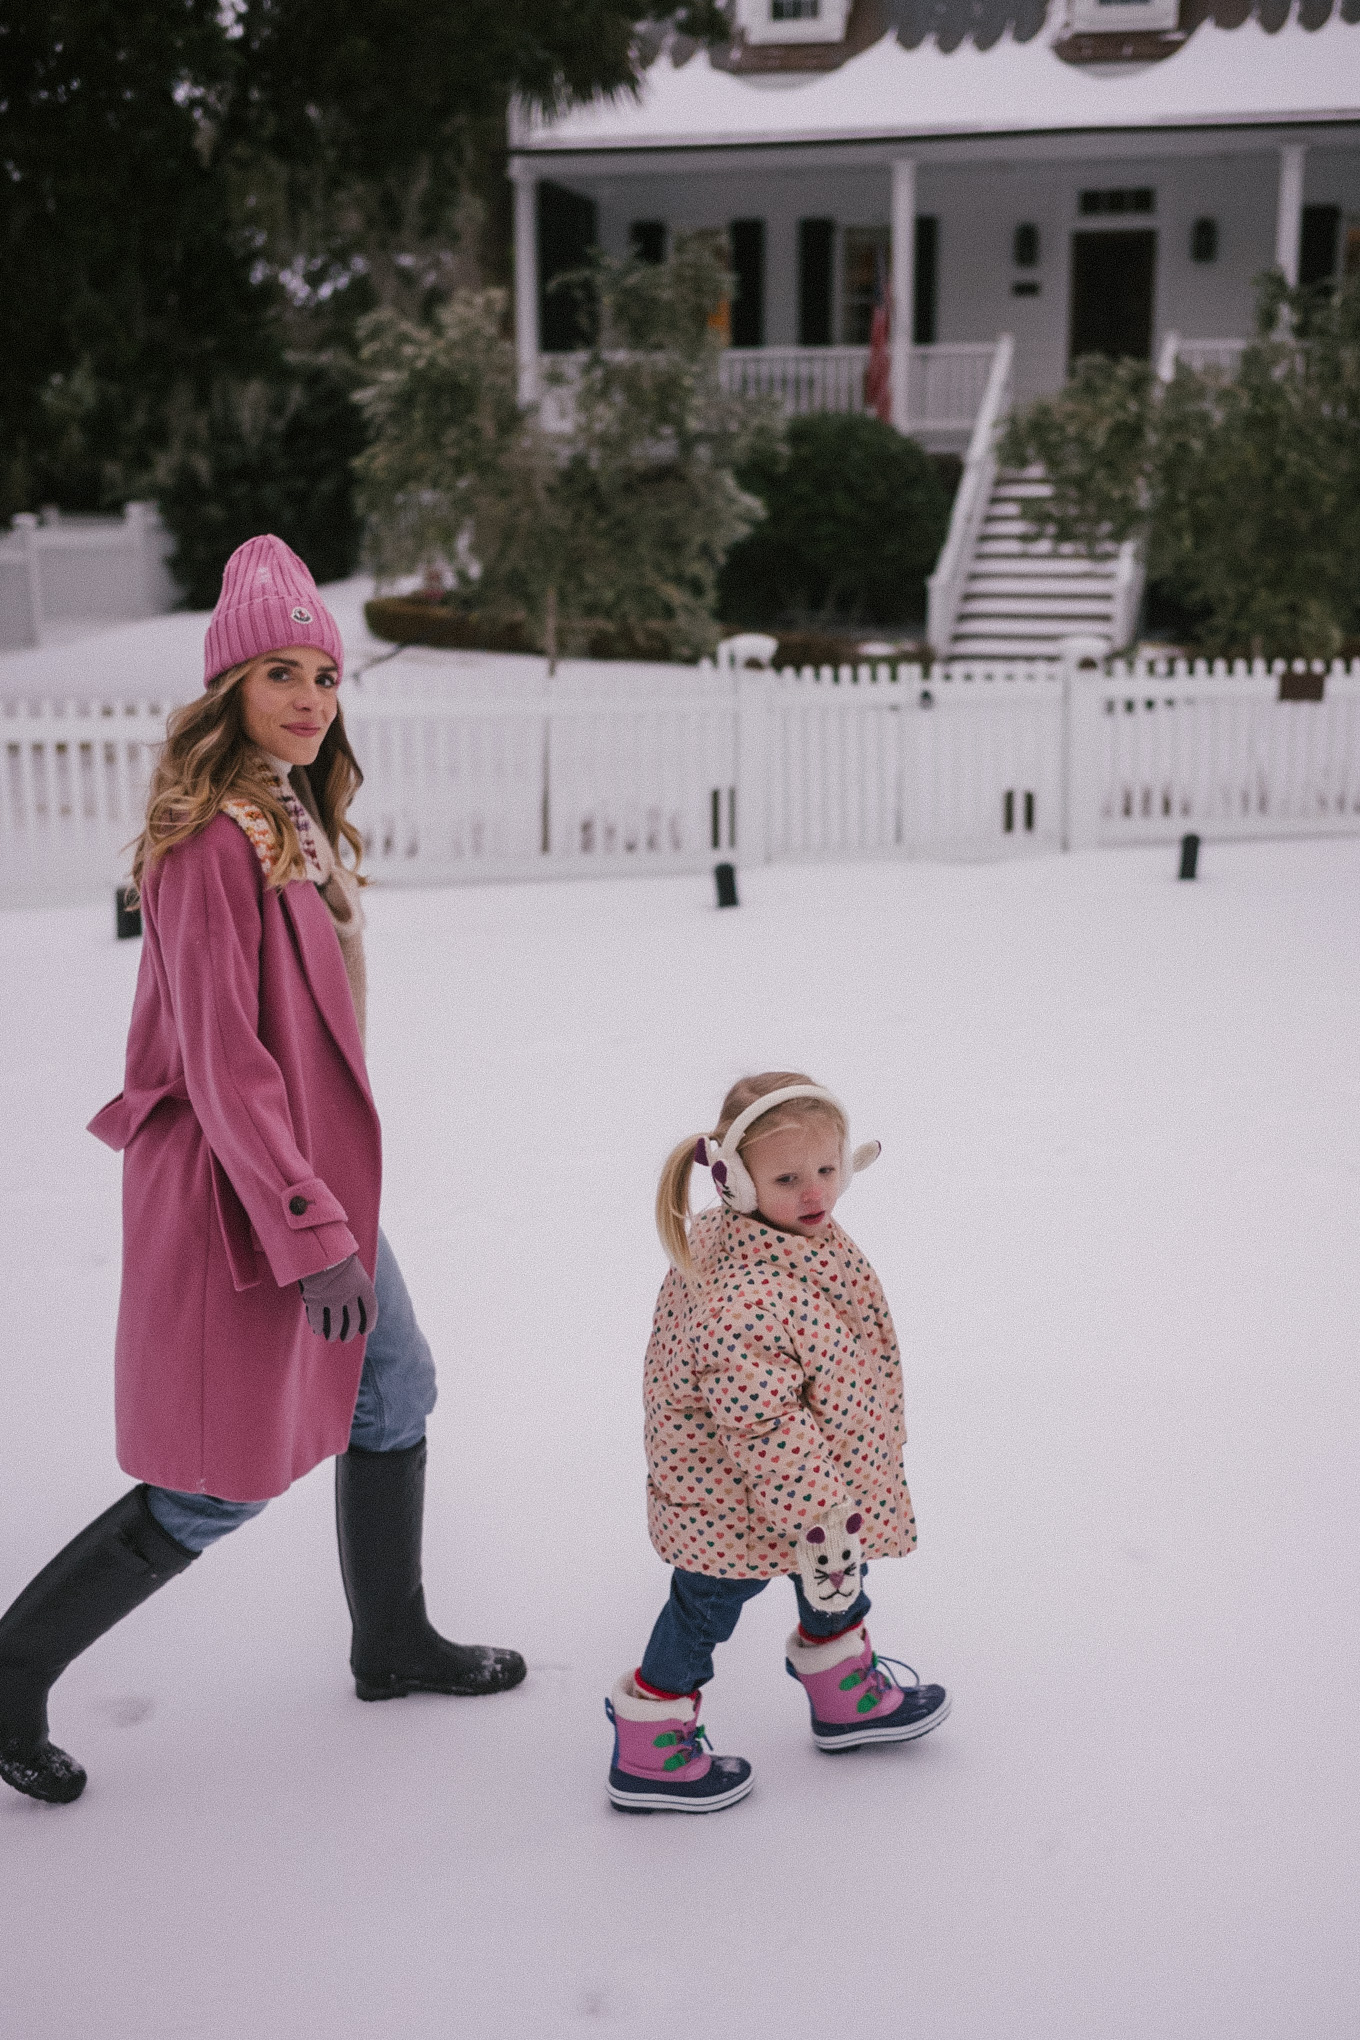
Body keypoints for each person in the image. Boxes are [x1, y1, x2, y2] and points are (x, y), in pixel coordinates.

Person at [0, 535, 524, 1807]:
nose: (307, 697)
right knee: (211, 1484)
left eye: (325, 674)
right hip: (246, 1197)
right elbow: (226, 1065)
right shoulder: (206, 845)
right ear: (227, 688)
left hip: (311, 1186)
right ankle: (10, 1672)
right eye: (278, 671)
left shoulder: (291, 817)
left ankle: (389, 1641)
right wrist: (312, 1234)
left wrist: (327, 1212)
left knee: (393, 1385)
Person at [605, 1072, 949, 1814]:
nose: (814, 1192)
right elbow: (761, 1424)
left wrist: (826, 1509)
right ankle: (651, 1745)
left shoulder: (784, 1236)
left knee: (825, 1570)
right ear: (733, 1180)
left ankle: (845, 1694)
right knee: (706, 1603)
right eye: (788, 1177)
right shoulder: (746, 1296)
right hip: (735, 1497)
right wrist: (821, 1508)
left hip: (800, 1488)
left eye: (827, 1169)